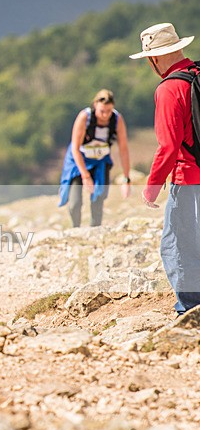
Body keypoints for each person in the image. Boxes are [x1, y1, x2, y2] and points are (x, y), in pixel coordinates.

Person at [130, 22, 200, 315]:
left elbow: (168, 147)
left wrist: (151, 187)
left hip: (190, 179)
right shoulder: (198, 74)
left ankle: (190, 309)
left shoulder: (171, 88)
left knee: (176, 245)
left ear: (154, 58)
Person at [58, 89, 131, 227]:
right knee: (74, 203)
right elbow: (75, 148)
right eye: (102, 111)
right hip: (78, 160)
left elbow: (123, 149)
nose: (105, 115)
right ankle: (76, 230)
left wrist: (126, 179)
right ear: (95, 105)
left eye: (109, 111)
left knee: (98, 197)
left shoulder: (117, 120)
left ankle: (95, 230)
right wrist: (85, 176)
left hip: (100, 161)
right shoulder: (84, 118)